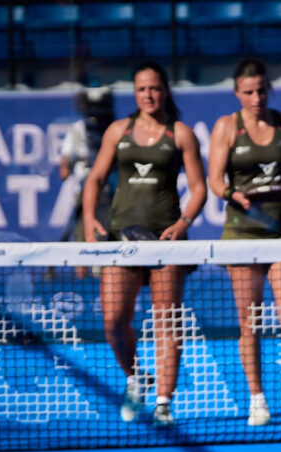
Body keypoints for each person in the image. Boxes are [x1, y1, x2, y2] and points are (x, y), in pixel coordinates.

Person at [81, 61, 208, 427]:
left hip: (167, 245)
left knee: (167, 322)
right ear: (134, 94)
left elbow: (198, 189)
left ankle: (164, 402)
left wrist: (183, 223)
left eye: (154, 88)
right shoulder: (118, 131)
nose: (148, 95)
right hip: (122, 243)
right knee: (112, 321)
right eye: (141, 89)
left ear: (164, 90)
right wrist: (91, 219)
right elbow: (95, 179)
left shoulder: (181, 133)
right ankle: (136, 377)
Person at [207, 58, 281, 427]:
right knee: (247, 322)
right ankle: (258, 399)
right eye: (248, 92)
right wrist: (231, 194)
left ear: (268, 90)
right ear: (238, 93)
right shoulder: (226, 127)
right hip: (242, 236)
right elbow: (214, 179)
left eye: (261, 90)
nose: (256, 97)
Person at [58, 86, 115, 278]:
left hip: (112, 193)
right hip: (84, 193)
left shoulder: (116, 127)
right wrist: (68, 166)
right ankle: (81, 279)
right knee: (82, 238)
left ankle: (105, 275)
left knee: (110, 235)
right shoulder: (77, 130)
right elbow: (65, 163)